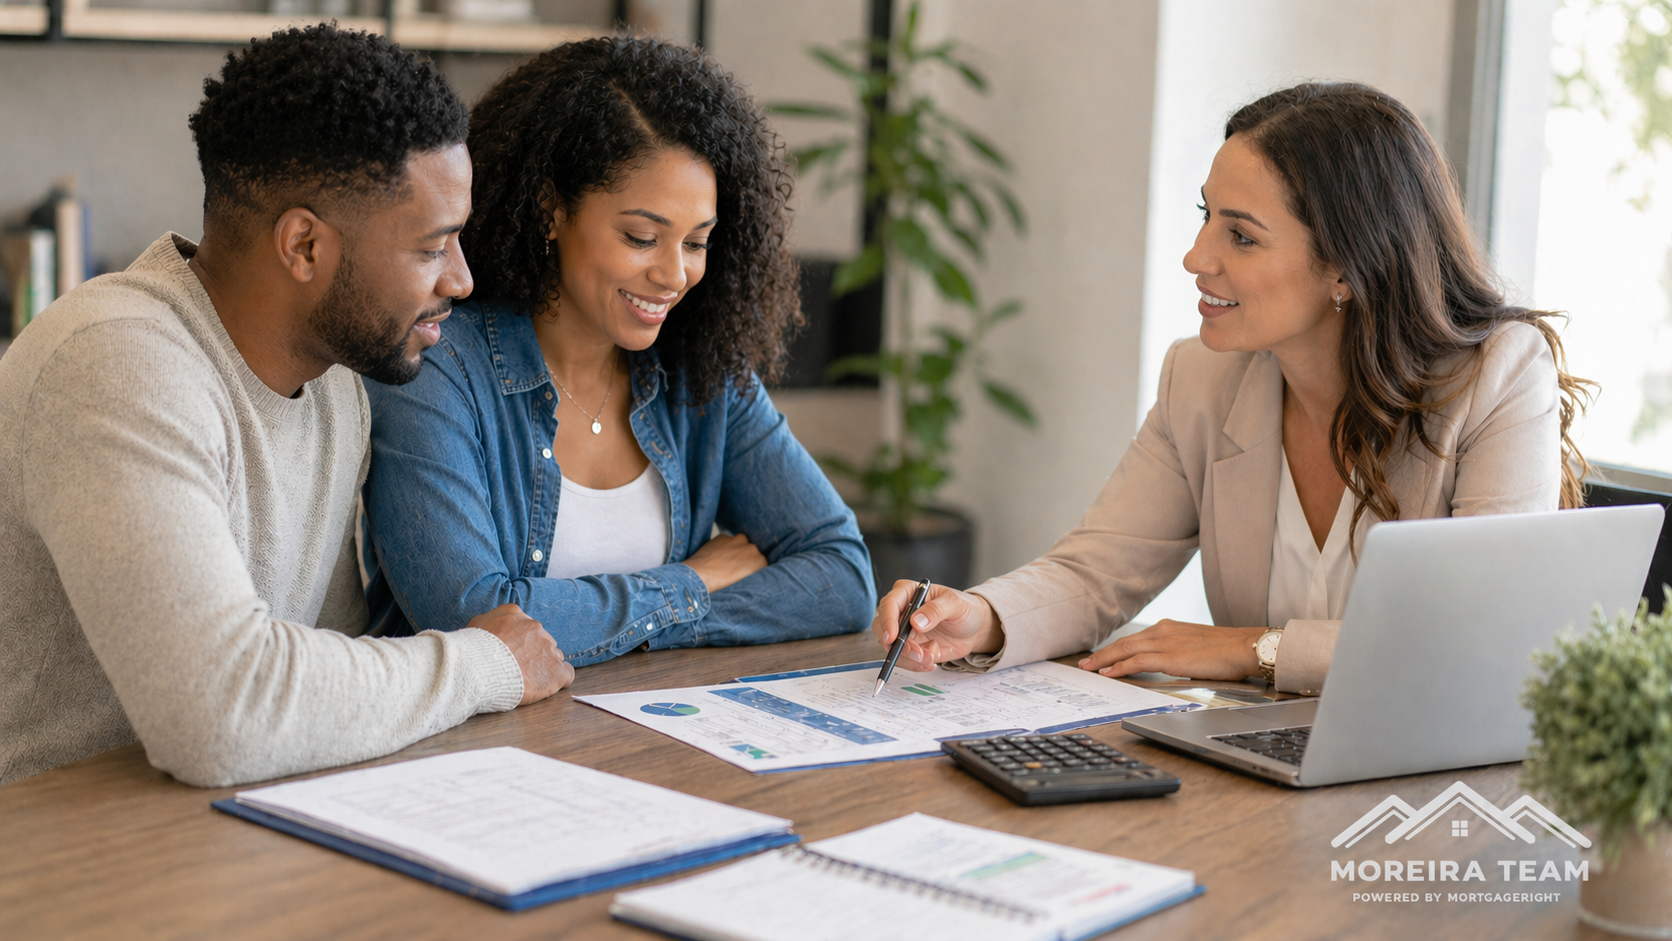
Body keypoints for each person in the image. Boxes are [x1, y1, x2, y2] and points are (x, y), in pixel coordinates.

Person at [869, 82, 1592, 695]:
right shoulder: (1203, 378)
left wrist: (1254, 649)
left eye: (1241, 236)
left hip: (1439, 793)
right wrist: (983, 614)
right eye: (1204, 217)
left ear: (1348, 267)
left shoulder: (1499, 375)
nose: (1196, 256)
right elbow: (1095, 572)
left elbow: (1479, 644)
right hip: (1265, 764)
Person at [0, 26, 572, 789]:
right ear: (304, 246)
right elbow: (221, 714)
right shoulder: (114, 363)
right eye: (433, 247)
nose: (462, 280)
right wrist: (485, 663)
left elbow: (322, 673)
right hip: (66, 869)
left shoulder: (338, 384)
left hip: (230, 838)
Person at [360, 38, 875, 665]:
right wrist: (692, 581)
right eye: (641, 237)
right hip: (473, 753)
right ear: (550, 209)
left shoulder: (704, 373)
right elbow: (476, 623)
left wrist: (634, 623)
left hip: (646, 740)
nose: (673, 274)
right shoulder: (440, 367)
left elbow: (843, 578)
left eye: (697, 242)